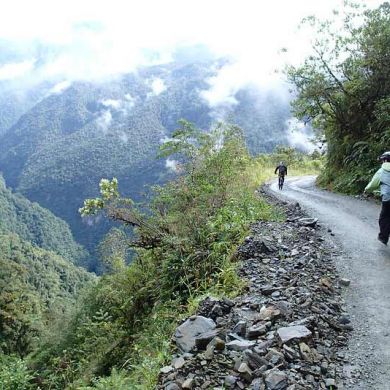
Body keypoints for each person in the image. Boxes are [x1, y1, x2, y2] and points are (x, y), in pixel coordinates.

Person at [364, 151, 390, 245]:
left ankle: (383, 237)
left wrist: (367, 190)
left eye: (383, 160)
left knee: (384, 217)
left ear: (385, 160)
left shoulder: (382, 171)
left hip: (388, 198)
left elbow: (373, 184)